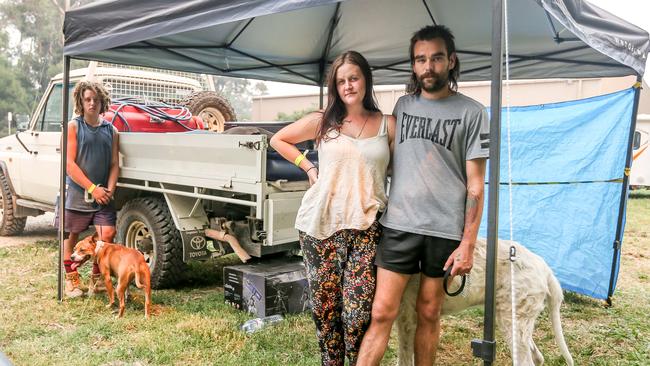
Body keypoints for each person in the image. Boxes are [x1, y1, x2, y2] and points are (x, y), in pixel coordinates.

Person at [357, 25, 489, 365]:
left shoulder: (472, 113)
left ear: (451, 61)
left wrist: (468, 245)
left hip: (445, 229)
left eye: (436, 58)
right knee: (382, 312)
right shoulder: (402, 106)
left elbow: (476, 184)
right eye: (420, 60)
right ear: (413, 65)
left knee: (429, 313)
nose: (428, 67)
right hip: (399, 225)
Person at [270, 51, 396, 366]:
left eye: (353, 78)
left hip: (367, 228)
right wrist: (309, 168)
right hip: (320, 226)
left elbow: (397, 170)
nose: (348, 86)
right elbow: (279, 140)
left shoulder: (388, 125)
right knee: (326, 312)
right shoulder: (323, 120)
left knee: (357, 314)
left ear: (366, 78)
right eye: (341, 81)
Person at [60, 80, 119, 298]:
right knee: (71, 237)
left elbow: (114, 164)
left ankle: (97, 281)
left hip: (104, 195)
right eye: (87, 99)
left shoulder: (111, 130)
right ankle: (72, 282)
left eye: (96, 99)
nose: (92, 103)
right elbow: (69, 165)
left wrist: (109, 190)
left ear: (102, 102)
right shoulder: (74, 127)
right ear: (81, 102)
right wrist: (93, 188)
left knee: (107, 235)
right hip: (78, 193)